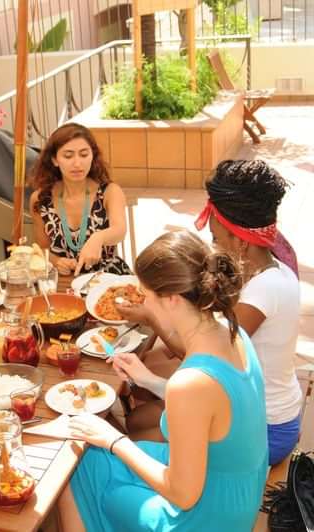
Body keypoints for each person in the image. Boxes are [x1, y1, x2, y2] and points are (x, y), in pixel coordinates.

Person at [58, 230, 268, 531]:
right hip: (236, 492)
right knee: (96, 456)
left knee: (77, 466)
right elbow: (214, 408)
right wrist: (151, 381)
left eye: (145, 296)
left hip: (209, 516)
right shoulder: (232, 331)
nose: (142, 304)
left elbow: (182, 494)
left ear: (171, 299)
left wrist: (113, 439)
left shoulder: (191, 383)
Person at [122, 160, 302, 466]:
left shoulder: (264, 291)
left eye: (217, 238)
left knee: (135, 433)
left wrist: (152, 316)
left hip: (266, 428)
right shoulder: (269, 265)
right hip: (249, 401)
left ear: (241, 242)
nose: (212, 245)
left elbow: (204, 353)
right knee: (139, 411)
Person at [29, 122, 130, 276]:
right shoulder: (40, 198)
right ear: (55, 160)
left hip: (108, 278)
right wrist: (55, 261)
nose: (77, 163)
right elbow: (42, 249)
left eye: (84, 154)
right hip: (64, 280)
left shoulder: (109, 192)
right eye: (68, 156)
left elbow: (120, 230)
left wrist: (99, 237)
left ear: (92, 156)